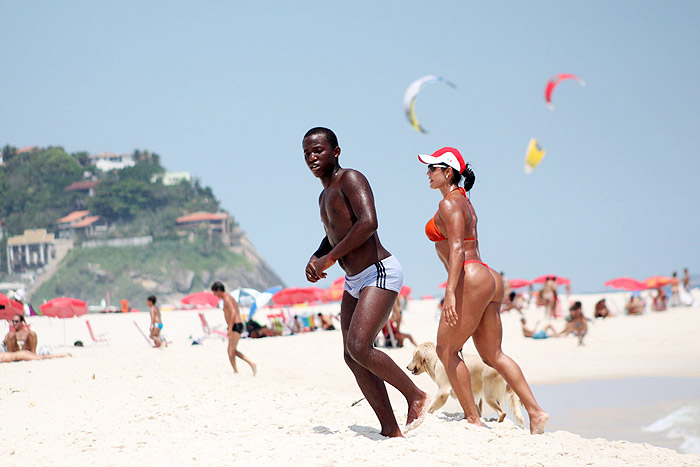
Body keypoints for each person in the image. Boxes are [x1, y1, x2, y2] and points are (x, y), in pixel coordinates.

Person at [303, 127, 429, 438]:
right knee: (351, 354)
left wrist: (330, 258)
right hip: (354, 279)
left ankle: (416, 395)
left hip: (379, 271)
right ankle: (390, 428)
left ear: (336, 151)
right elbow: (335, 231)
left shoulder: (351, 179)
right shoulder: (323, 195)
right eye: (307, 153)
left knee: (360, 345)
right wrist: (317, 255)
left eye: (318, 150)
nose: (312, 157)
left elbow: (368, 221)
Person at [418, 146, 548, 434]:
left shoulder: (449, 203)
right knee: (493, 355)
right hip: (487, 275)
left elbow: (454, 248)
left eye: (432, 168)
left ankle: (472, 418)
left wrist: (450, 292)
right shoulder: (464, 200)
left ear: (448, 172)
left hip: (471, 276)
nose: (427, 173)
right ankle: (536, 413)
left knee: (446, 349)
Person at [211, 281, 257, 375]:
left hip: (235, 325)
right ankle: (238, 369)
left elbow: (233, 312)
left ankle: (247, 366)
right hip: (236, 325)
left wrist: (230, 328)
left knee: (231, 351)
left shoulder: (227, 298)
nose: (215, 295)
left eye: (215, 292)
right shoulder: (230, 298)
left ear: (219, 290)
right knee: (231, 350)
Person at [1, 350, 69, 363]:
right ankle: (62, 355)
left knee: (40, 358)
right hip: (20, 354)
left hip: (19, 355)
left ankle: (61, 355)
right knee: (40, 357)